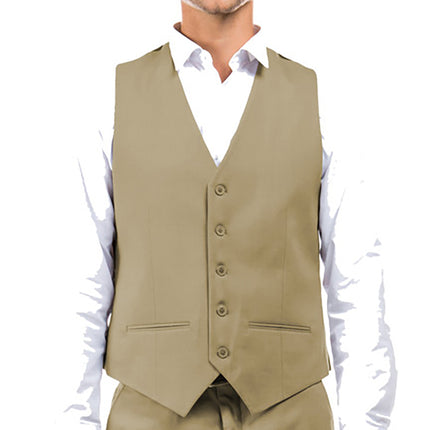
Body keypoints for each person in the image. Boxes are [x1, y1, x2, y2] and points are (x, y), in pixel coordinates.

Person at [57, 1, 397, 429]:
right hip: (150, 413)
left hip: (292, 414)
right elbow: (80, 284)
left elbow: (358, 282)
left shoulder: (323, 97)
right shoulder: (107, 99)